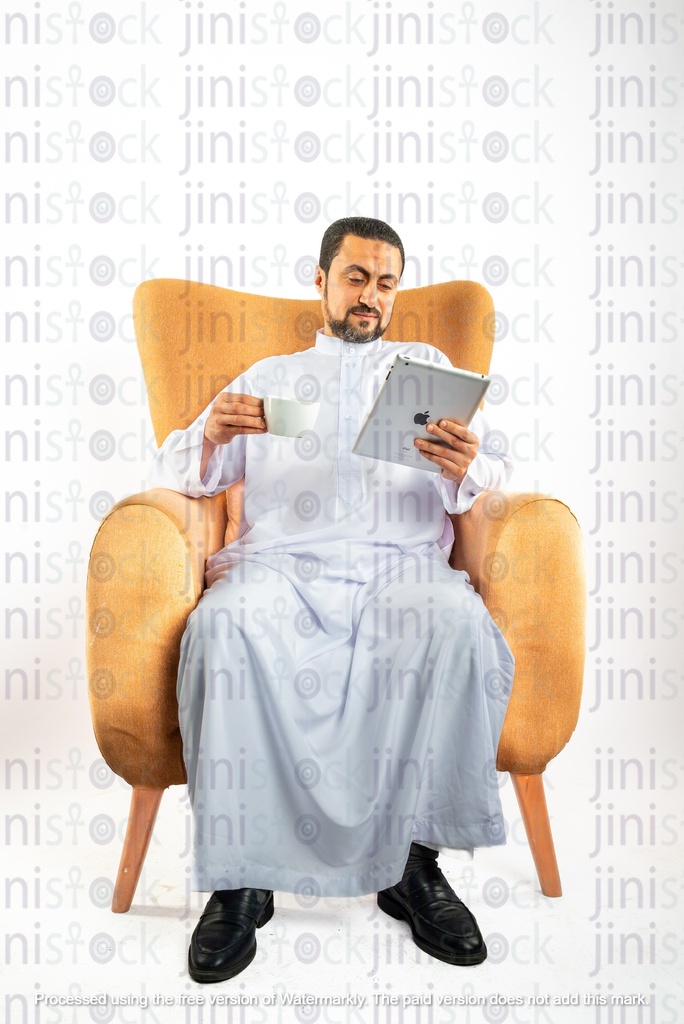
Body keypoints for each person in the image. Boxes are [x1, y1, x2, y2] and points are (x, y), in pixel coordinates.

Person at [149, 217, 514, 984]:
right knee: (223, 628)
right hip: (284, 569)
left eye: (385, 283)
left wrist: (467, 466)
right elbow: (190, 474)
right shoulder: (271, 377)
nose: (370, 297)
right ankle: (241, 877)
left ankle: (414, 862)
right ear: (320, 282)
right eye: (356, 278)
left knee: (457, 624)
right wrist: (210, 434)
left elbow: (481, 484)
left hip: (399, 571)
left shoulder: (424, 368)